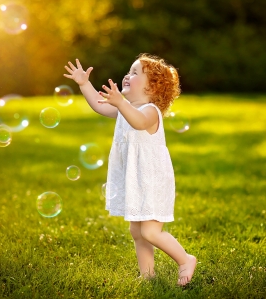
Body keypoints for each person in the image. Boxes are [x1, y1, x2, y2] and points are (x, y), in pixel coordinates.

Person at [63, 54, 197, 286]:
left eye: (135, 73)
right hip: (136, 180)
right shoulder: (125, 109)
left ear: (152, 87)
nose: (127, 75)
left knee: (151, 232)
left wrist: (121, 103)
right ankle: (147, 275)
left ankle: (186, 260)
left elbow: (138, 122)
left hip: (153, 181)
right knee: (137, 230)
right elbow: (98, 105)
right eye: (129, 70)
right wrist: (84, 83)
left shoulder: (149, 111)